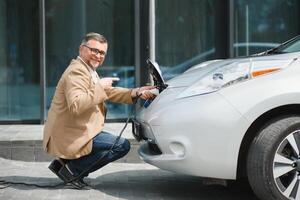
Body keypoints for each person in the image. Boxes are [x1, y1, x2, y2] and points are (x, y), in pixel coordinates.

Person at [43, 32, 156, 189]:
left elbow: (108, 92)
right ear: (82, 49)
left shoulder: (86, 69)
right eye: (94, 50)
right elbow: (76, 105)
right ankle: (72, 170)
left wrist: (136, 92)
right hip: (70, 134)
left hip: (78, 130)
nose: (98, 55)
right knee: (121, 145)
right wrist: (100, 86)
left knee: (115, 143)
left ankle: (65, 163)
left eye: (102, 52)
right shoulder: (76, 72)